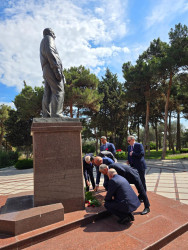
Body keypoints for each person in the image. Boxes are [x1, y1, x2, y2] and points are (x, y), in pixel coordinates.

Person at [40, 28, 66, 117]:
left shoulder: (43, 41)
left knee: (48, 93)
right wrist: (56, 69)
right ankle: (57, 114)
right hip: (51, 67)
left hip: (46, 68)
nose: (55, 36)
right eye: (53, 33)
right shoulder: (48, 38)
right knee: (59, 91)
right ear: (50, 33)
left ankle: (46, 115)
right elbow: (50, 52)